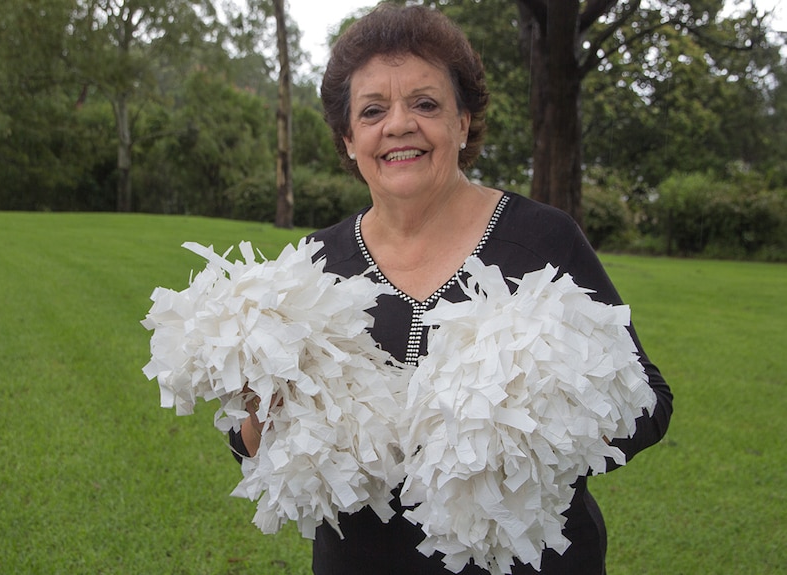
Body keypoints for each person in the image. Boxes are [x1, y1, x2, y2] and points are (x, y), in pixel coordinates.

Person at [232, 4, 673, 574]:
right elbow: (250, 441)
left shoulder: (542, 240)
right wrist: (256, 425)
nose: (399, 125)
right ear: (348, 139)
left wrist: (529, 438)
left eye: (425, 104)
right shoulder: (313, 266)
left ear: (463, 123)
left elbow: (649, 401)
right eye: (372, 111)